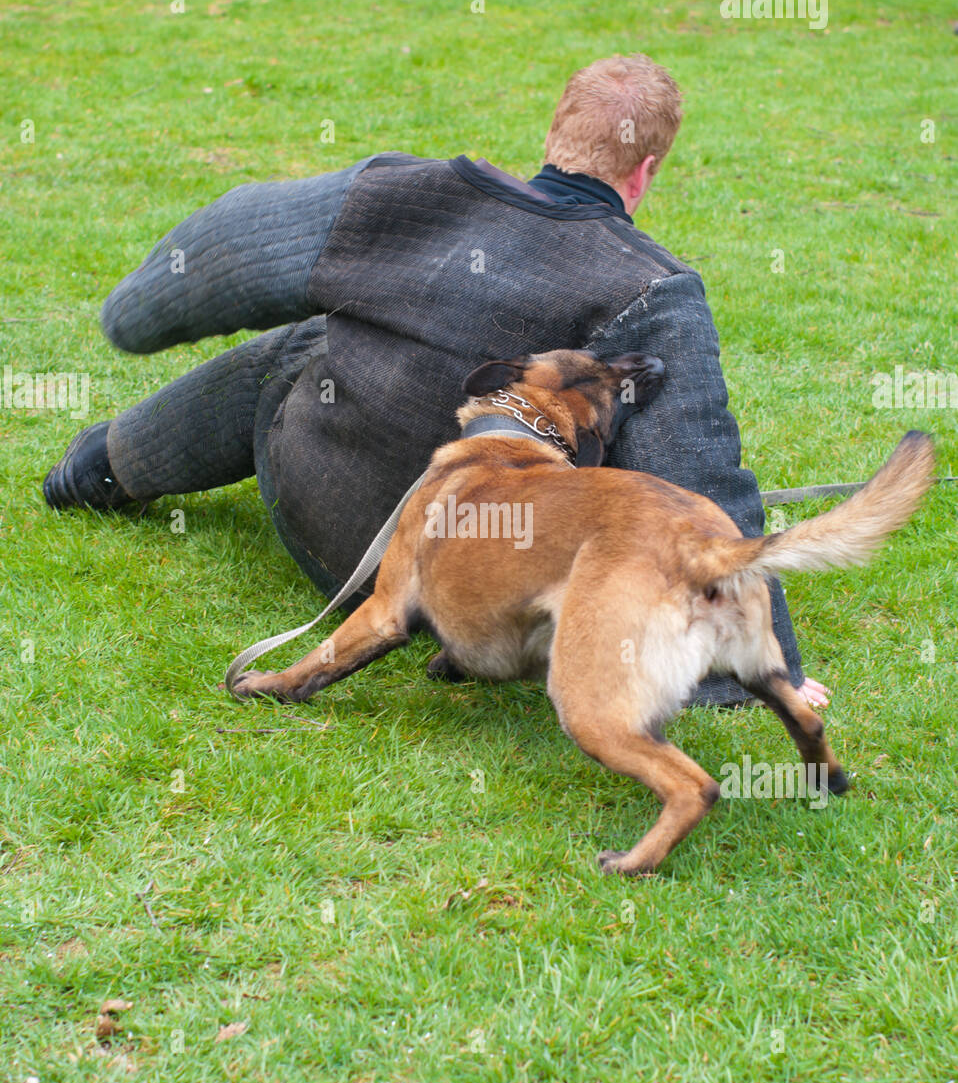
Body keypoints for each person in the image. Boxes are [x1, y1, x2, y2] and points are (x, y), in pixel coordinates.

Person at [43, 53, 828, 709]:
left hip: (324, 511)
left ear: (555, 133)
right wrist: (763, 669)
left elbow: (236, 238)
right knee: (612, 456)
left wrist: (133, 317)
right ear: (645, 171)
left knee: (296, 355)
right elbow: (701, 475)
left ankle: (96, 469)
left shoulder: (399, 192)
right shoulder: (655, 289)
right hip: (470, 594)